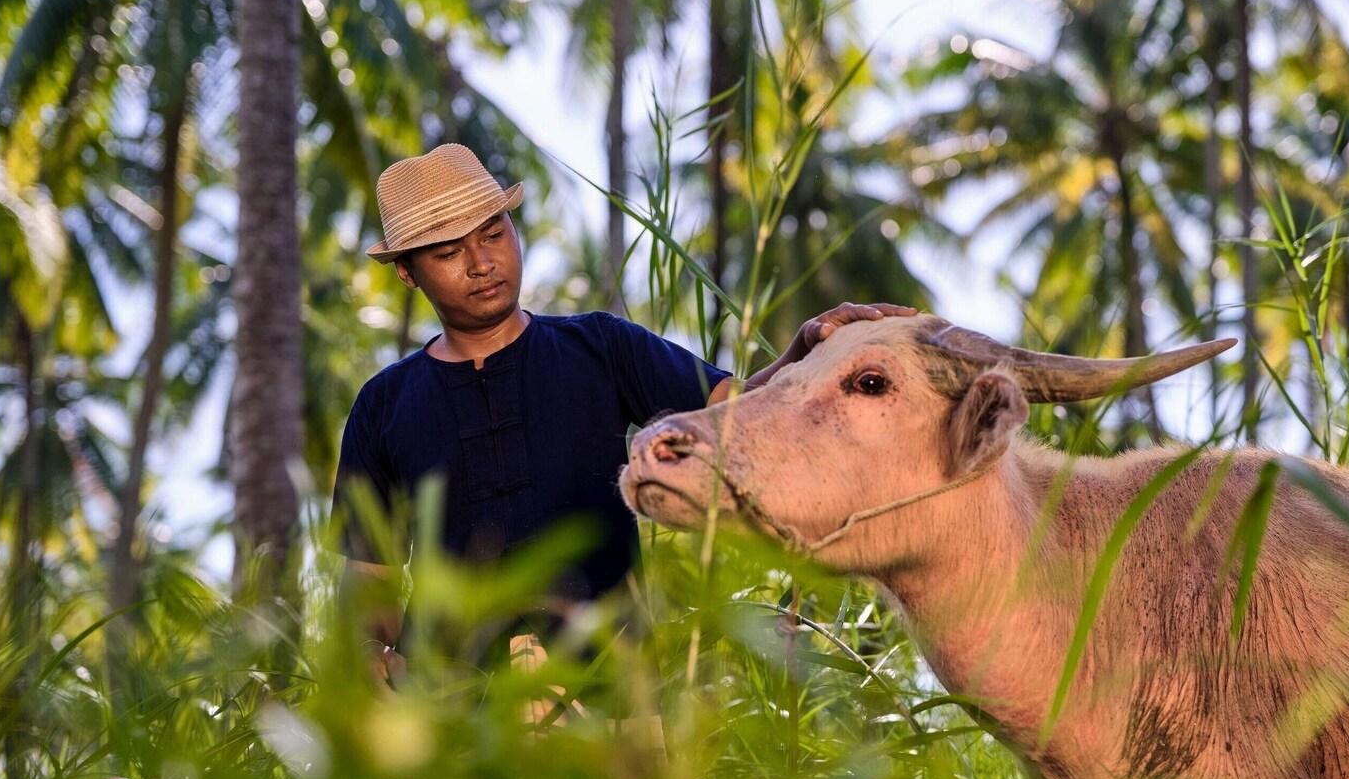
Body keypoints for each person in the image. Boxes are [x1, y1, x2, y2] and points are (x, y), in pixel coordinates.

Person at [330, 142, 913, 687]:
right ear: (408, 272)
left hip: (613, 694)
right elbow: (369, 579)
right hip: (451, 710)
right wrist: (369, 656)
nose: (482, 263)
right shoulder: (382, 405)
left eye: (494, 234)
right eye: (449, 253)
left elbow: (739, 415)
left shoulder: (602, 347)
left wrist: (805, 352)